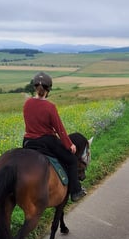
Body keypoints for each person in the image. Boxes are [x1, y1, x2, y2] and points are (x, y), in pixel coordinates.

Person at [22, 72, 86, 202]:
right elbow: (60, 129)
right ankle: (76, 191)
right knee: (72, 160)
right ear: (48, 89)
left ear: (35, 88)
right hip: (46, 142)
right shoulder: (50, 107)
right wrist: (70, 145)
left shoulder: (27, 103)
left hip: (28, 142)